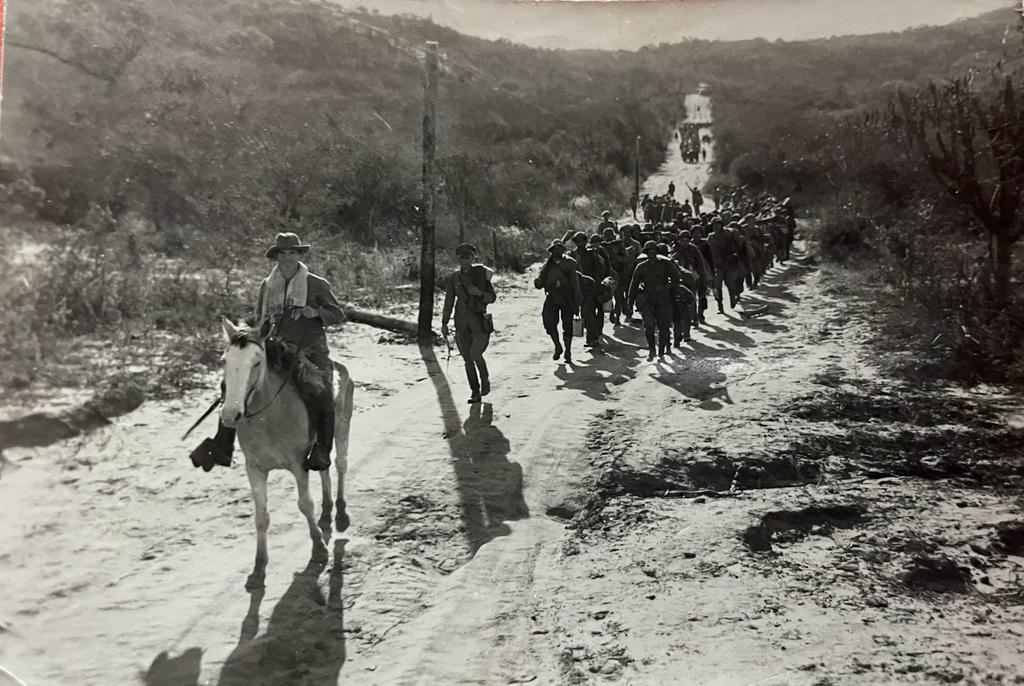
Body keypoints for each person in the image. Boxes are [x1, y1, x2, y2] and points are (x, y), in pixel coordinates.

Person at [189, 232, 347, 472]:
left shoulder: (316, 284)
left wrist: (315, 313)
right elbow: (260, 319)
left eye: (292, 253)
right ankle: (222, 445)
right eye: (282, 254)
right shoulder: (267, 285)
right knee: (233, 383)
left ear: (299, 254)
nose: (286, 258)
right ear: (276, 257)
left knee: (322, 392)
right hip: (276, 349)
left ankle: (321, 451)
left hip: (310, 351)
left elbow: (339, 314)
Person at [441, 243, 496, 404]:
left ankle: (484, 380)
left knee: (475, 354)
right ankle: (475, 391)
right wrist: (445, 322)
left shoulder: (481, 275)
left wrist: (479, 293)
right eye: (462, 257)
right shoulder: (454, 278)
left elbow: (491, 297)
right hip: (461, 323)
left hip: (479, 322)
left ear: (473, 257)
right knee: (467, 359)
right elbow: (449, 301)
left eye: (468, 256)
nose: (465, 259)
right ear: (458, 258)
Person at [628, 240, 681, 360]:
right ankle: (652, 350)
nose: (651, 254)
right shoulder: (641, 267)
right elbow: (633, 285)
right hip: (648, 299)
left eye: (654, 252)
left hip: (664, 299)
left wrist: (668, 286)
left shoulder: (666, 264)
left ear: (657, 252)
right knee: (649, 326)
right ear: (646, 253)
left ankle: (661, 352)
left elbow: (677, 277)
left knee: (664, 327)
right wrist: (629, 303)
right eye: (649, 252)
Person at [534, 240, 582, 362]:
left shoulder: (570, 263)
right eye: (554, 249)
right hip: (552, 296)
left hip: (567, 297)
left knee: (568, 325)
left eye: (560, 248)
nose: (557, 251)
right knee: (549, 323)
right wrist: (538, 282)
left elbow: (575, 283)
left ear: (563, 250)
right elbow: (540, 283)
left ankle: (568, 352)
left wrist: (577, 299)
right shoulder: (547, 265)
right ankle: (557, 346)